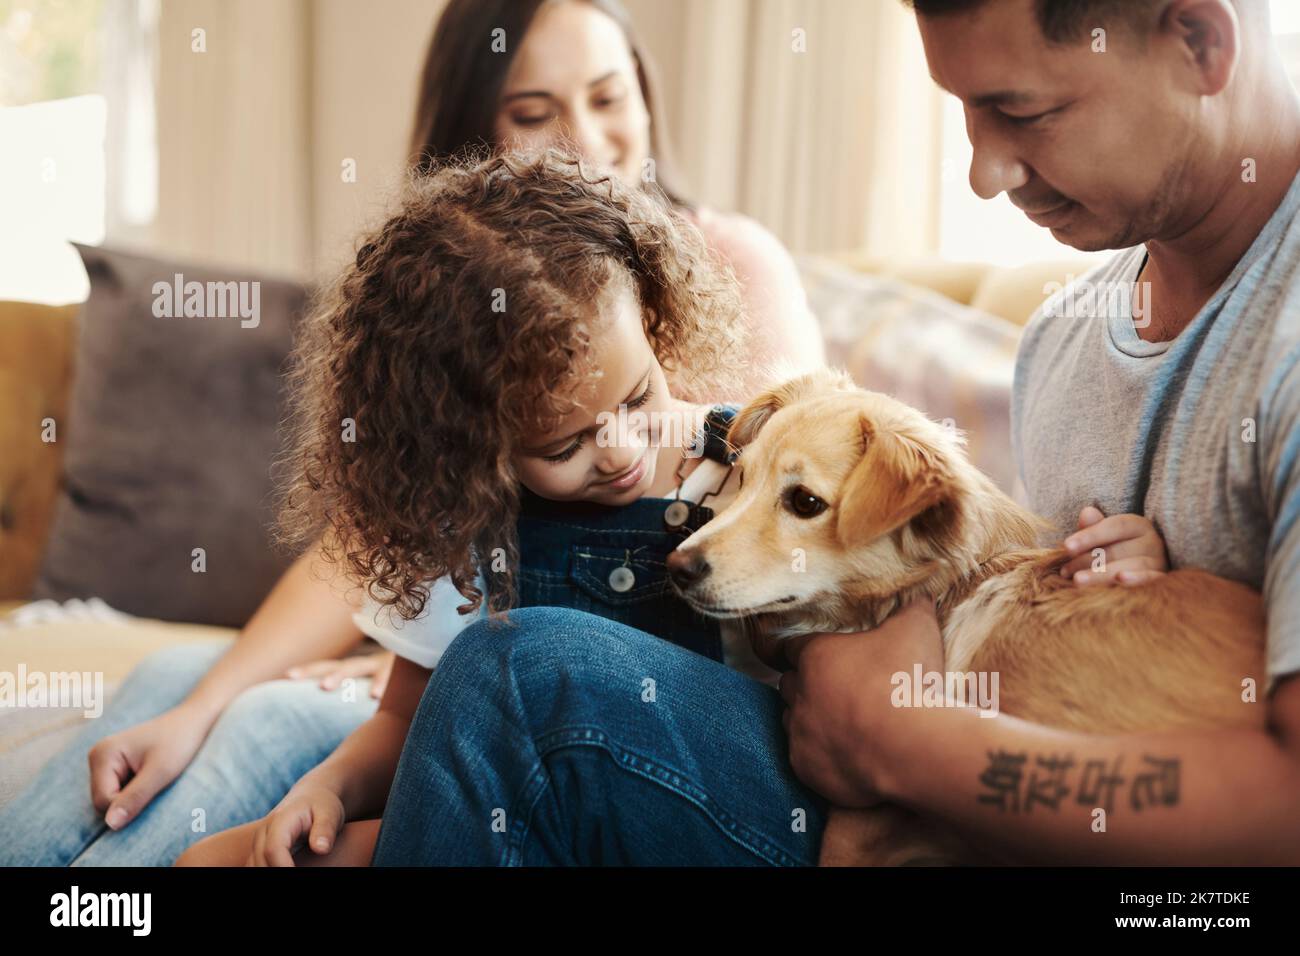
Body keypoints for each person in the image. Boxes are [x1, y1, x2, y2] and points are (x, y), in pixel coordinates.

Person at [369, 0, 1300, 866]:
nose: (984, 174)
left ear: (1200, 41)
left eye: (1025, 111)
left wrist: (904, 743)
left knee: (519, 682)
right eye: (964, 113)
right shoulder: (1064, 338)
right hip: (910, 770)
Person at [0, 0, 823, 866]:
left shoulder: (725, 337)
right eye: (535, 112)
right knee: (177, 695)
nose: (582, 137)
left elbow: (811, 521)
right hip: (443, 690)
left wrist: (460, 687)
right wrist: (220, 703)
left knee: (247, 799)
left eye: (608, 96)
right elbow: (379, 547)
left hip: (590, 743)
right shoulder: (462, 335)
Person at [176, 149, 811, 865]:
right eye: (564, 445)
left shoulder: (749, 467)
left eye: (639, 398)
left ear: (654, 320)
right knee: (210, 862)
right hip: (532, 809)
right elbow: (403, 720)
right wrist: (327, 788)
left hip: (683, 805)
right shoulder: (470, 533)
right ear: (474, 447)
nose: (621, 450)